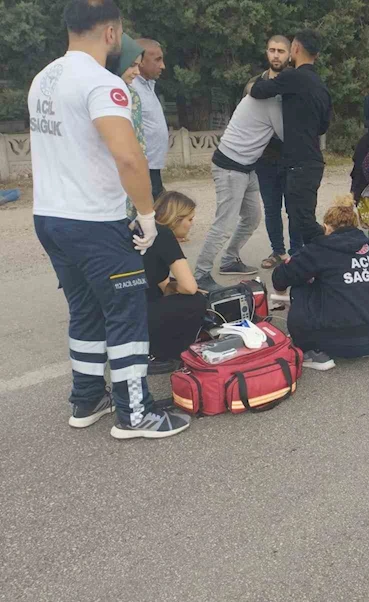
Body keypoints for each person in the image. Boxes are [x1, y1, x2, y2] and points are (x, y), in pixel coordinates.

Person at [30, 0, 190, 439]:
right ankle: (134, 414)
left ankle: (86, 398)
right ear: (112, 33)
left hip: (50, 216)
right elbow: (128, 158)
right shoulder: (103, 84)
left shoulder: (44, 78)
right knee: (126, 311)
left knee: (85, 310)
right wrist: (146, 215)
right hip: (93, 221)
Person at [272, 195, 369, 371]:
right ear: (355, 226)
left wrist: (281, 293)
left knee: (301, 284)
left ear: (326, 227)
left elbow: (281, 277)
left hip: (337, 341)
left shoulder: (319, 249)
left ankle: (312, 351)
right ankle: (367, 336)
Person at [193, 70, 284, 292]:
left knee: (252, 217)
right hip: (231, 167)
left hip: (246, 167)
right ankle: (200, 273)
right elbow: (285, 134)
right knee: (224, 224)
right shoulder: (270, 102)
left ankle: (229, 260)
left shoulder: (262, 96)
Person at [250, 29, 332, 245]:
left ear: (295, 48)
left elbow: (258, 90)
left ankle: (339, 243)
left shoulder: (292, 77)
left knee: (303, 221)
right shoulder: (321, 86)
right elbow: (323, 126)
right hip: (313, 162)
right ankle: (302, 260)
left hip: (299, 164)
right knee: (301, 218)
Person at [244, 35, 303, 270]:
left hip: (291, 158)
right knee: (271, 208)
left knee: (294, 208)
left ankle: (297, 253)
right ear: (266, 52)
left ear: (290, 54)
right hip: (265, 159)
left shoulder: (297, 81)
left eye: (281, 50)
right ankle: (278, 251)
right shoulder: (255, 83)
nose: (276, 55)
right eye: (272, 50)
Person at [143, 191, 206, 373]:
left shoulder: (144, 229)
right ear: (177, 218)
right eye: (190, 219)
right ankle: (164, 354)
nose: (191, 224)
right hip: (139, 316)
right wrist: (185, 289)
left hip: (119, 313)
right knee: (196, 301)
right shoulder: (162, 234)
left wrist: (174, 287)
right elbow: (189, 286)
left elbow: (160, 280)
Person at [106, 33, 145, 219]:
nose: (137, 72)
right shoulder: (116, 94)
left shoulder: (130, 94)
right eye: (132, 65)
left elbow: (137, 144)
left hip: (126, 178)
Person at [131, 38, 168, 199]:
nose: (163, 66)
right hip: (141, 169)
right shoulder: (131, 89)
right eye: (157, 60)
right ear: (140, 61)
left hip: (154, 167)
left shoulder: (148, 85)